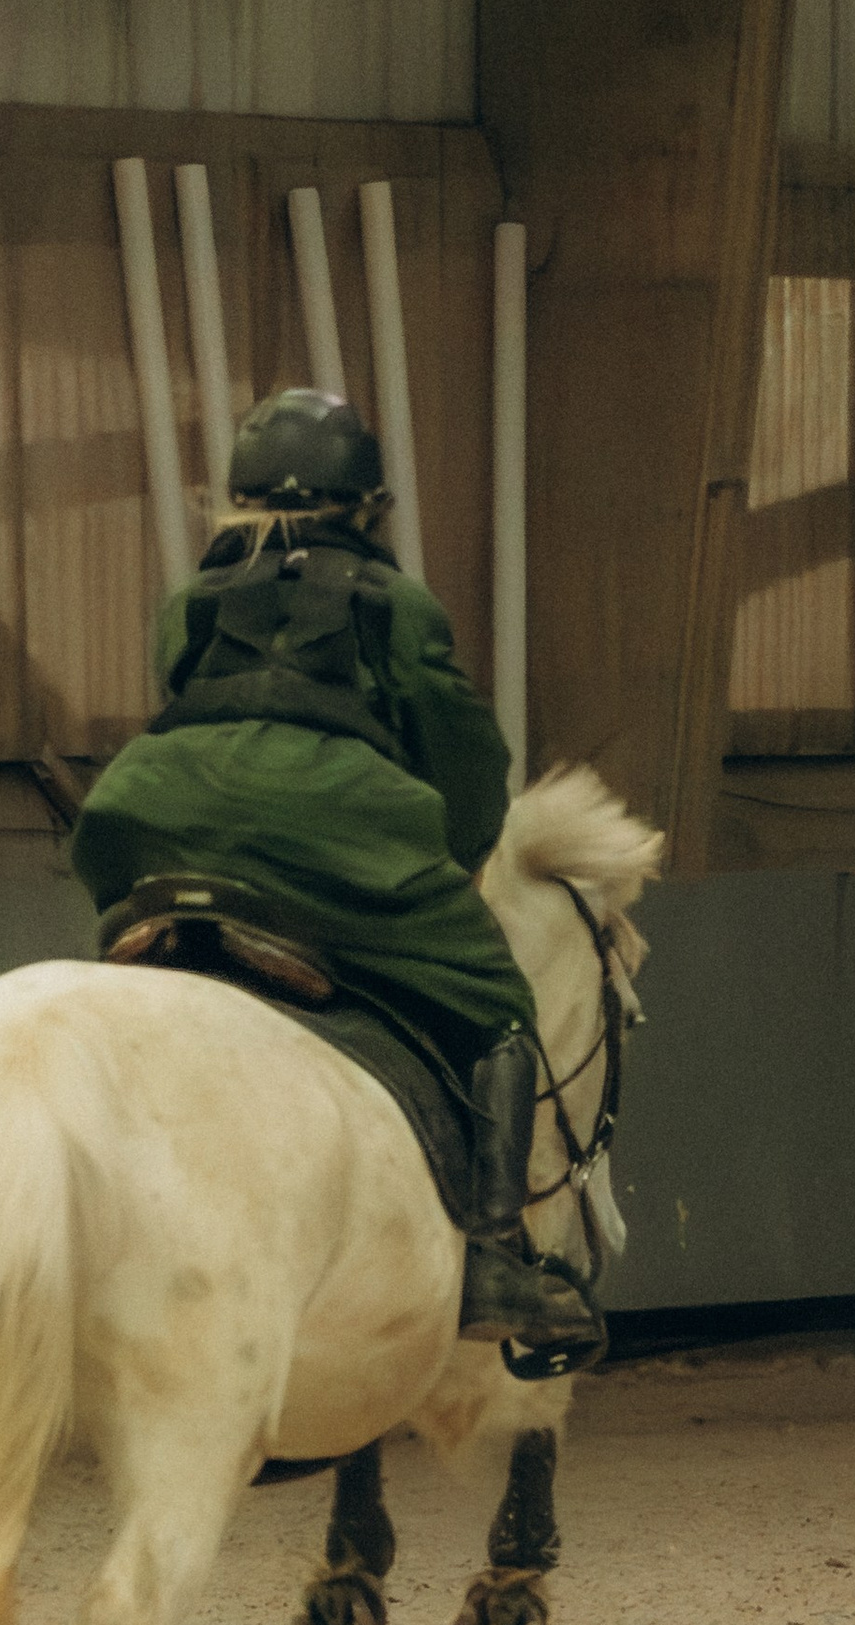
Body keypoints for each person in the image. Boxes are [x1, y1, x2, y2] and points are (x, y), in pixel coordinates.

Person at [71, 385, 604, 1365]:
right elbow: (462, 763)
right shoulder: (397, 608)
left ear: (234, 498)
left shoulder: (189, 604)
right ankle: (490, 1255)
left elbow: (192, 706)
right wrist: (444, 857)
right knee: (496, 1002)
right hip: (331, 828)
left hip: (145, 817)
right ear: (363, 503)